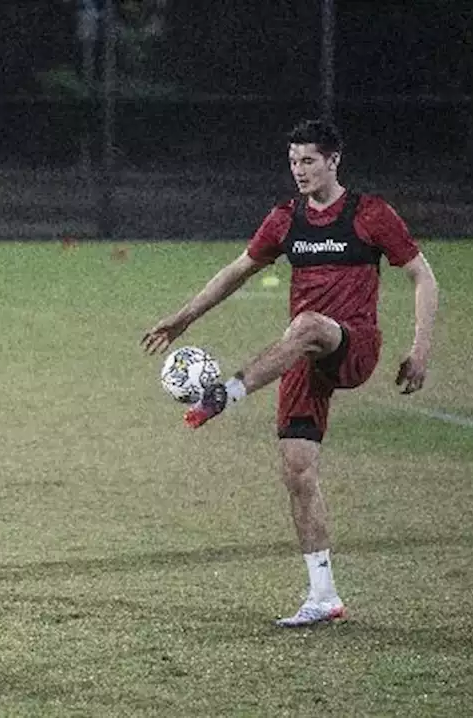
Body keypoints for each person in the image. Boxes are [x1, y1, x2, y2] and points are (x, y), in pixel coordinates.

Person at [142, 119, 439, 627]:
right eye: (293, 161)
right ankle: (323, 596)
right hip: (301, 359)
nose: (299, 170)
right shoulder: (285, 220)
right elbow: (238, 270)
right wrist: (184, 316)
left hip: (352, 344)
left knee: (306, 325)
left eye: (308, 161)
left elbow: (421, 274)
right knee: (297, 471)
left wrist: (420, 349)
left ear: (333, 161)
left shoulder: (370, 214)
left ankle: (227, 392)